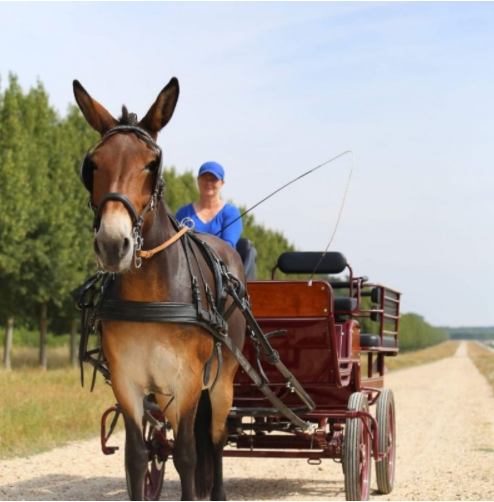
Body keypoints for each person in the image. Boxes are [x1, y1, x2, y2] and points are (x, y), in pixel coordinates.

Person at [175, 161, 242, 248]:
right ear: (198, 180)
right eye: (204, 178)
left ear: (222, 183)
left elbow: (227, 248)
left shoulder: (231, 213)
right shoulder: (183, 213)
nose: (208, 183)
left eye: (213, 179)